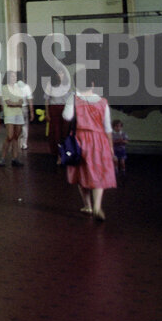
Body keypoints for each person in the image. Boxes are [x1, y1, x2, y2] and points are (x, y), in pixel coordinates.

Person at [63, 70, 116, 220]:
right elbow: (107, 128)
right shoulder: (102, 101)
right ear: (92, 84)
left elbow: (67, 117)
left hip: (80, 139)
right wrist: (111, 146)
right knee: (98, 172)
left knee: (81, 172)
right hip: (99, 141)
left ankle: (88, 205)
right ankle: (98, 207)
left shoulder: (73, 98)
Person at [0, 70, 32, 167]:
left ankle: (15, 158)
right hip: (9, 114)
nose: (14, 78)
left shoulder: (18, 88)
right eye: (12, 76)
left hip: (18, 114)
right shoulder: (5, 88)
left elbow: (21, 101)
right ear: (8, 78)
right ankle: (3, 158)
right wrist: (17, 104)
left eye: (15, 76)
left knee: (16, 137)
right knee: (9, 136)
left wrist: (16, 104)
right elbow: (8, 102)